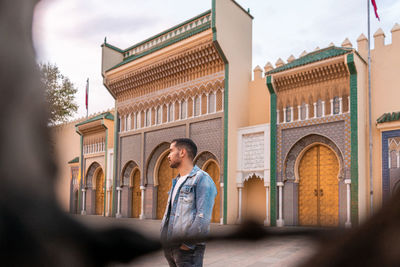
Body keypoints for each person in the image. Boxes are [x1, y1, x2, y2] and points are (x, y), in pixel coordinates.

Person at [161, 138, 217, 267]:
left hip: (188, 250)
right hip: (171, 247)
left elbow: (203, 217)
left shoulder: (202, 179)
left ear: (182, 153)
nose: (168, 156)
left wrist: (187, 245)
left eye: (171, 151)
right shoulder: (177, 181)